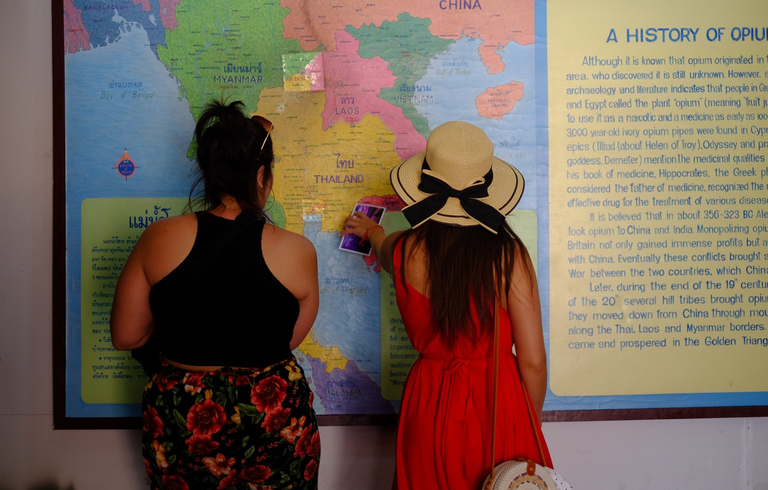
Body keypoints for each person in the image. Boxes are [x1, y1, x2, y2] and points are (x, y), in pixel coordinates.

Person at [110, 99, 321, 489]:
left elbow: (126, 336)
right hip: (272, 414)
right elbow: (283, 341)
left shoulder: (159, 237)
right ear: (262, 176)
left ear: (208, 172)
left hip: (182, 413)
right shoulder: (297, 251)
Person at [342, 121, 552, 490]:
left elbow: (382, 244)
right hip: (499, 400)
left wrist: (369, 230)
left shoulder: (405, 250)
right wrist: (526, 419)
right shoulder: (508, 255)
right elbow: (533, 361)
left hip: (429, 400)